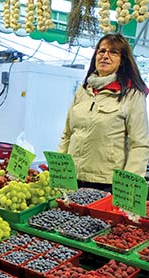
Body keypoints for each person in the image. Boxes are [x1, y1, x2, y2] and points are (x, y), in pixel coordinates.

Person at [58, 33, 149, 192]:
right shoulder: (83, 91)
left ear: (122, 61)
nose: (105, 56)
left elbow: (139, 144)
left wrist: (128, 187)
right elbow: (67, 134)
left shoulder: (132, 94)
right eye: (101, 51)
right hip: (72, 179)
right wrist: (59, 170)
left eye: (113, 52)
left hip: (107, 184)